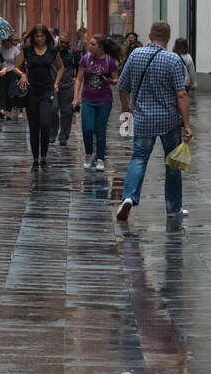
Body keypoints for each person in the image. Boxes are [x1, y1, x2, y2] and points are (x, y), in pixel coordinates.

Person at [115, 21, 192, 223]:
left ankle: (129, 197)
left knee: (139, 158)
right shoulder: (173, 59)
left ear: (149, 36)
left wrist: (125, 108)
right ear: (168, 38)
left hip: (143, 118)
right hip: (169, 120)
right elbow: (182, 94)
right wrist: (187, 124)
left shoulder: (135, 55)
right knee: (172, 163)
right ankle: (173, 208)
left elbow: (122, 86)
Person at [15, 25, 63, 169]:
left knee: (45, 123)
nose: (40, 39)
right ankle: (36, 159)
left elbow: (61, 68)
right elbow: (15, 67)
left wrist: (56, 83)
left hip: (47, 91)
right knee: (33, 126)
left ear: (46, 37)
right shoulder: (27, 51)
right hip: (31, 91)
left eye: (42, 36)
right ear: (33, 37)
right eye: (37, 36)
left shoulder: (52, 51)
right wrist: (22, 74)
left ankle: (44, 156)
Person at [73, 34, 120, 170]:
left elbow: (117, 80)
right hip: (88, 98)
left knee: (100, 129)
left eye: (93, 44)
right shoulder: (85, 59)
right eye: (90, 44)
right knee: (87, 128)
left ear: (100, 46)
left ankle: (100, 158)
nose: (89, 46)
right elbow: (79, 79)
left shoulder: (109, 61)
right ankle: (88, 154)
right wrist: (76, 97)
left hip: (104, 99)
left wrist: (110, 81)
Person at [52, 37, 76, 145]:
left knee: (67, 112)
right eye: (61, 42)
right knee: (53, 108)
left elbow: (78, 68)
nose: (63, 45)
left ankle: (64, 136)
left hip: (68, 85)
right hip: (53, 85)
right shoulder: (52, 52)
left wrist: (75, 78)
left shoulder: (74, 54)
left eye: (66, 43)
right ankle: (52, 133)